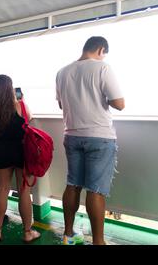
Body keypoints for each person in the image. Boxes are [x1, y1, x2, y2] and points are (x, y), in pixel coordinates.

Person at [56, 36, 125, 245]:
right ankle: (98, 242)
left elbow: (61, 105)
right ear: (101, 49)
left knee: (73, 184)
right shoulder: (102, 68)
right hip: (99, 137)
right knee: (95, 191)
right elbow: (119, 104)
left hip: (72, 135)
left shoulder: (62, 72)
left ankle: (68, 234)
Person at [0, 75, 41, 242]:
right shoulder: (21, 106)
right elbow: (29, 119)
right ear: (11, 89)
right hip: (21, 151)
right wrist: (21, 101)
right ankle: (27, 232)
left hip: (2, 150)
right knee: (24, 190)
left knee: (2, 189)